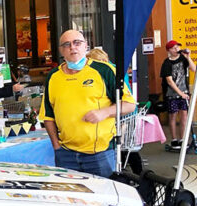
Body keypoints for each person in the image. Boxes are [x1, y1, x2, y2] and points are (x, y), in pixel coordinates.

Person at [39, 29, 135, 177]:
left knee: (103, 197)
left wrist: (104, 112)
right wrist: (56, 147)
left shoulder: (104, 70)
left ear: (86, 46)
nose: (72, 47)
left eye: (77, 43)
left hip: (99, 154)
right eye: (67, 44)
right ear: (61, 50)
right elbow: (48, 116)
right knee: (71, 199)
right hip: (66, 155)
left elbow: (130, 104)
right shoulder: (53, 77)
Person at [159, 40, 196, 146]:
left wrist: (188, 57)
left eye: (177, 47)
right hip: (172, 94)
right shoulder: (166, 63)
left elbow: (194, 69)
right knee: (173, 115)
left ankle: (183, 138)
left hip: (183, 91)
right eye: (174, 48)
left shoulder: (183, 59)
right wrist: (180, 93)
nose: (176, 50)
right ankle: (174, 139)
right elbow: (169, 81)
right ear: (169, 50)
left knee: (184, 115)